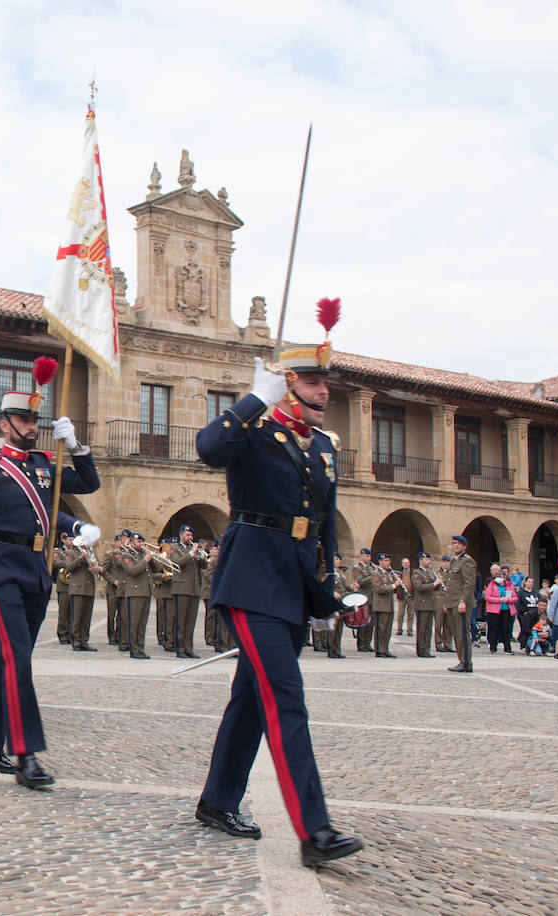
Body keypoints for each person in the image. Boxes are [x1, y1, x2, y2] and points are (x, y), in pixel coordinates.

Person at [194, 337, 364, 868]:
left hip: (293, 582)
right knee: (285, 697)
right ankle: (316, 831)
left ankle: (218, 801)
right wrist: (252, 401)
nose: (324, 391)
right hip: (250, 578)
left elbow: (324, 525)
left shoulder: (324, 446)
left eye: (325, 383)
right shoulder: (253, 431)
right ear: (288, 384)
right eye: (313, 382)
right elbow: (207, 448)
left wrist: (326, 590)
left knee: (250, 696)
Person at [0, 362, 101, 789]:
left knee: (9, 661)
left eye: (35, 419)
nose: (30, 426)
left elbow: (87, 486)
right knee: (16, 660)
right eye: (22, 418)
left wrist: (76, 446)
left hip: (36, 574)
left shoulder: (45, 465)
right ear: (3, 422)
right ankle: (25, 753)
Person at [169, 525, 207, 659]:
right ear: (181, 536)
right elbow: (178, 563)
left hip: (194, 589)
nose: (190, 538)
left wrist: (201, 555)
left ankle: (189, 648)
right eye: (187, 535)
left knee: (190, 622)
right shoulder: (174, 548)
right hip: (181, 588)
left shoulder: (192, 549)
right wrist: (191, 554)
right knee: (181, 621)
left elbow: (204, 566)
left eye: (191, 535)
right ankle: (180, 648)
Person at [444, 537, 479, 673]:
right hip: (452, 602)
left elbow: (469, 583)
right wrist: (447, 602)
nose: (456, 545)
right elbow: (451, 583)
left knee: (462, 633)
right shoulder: (454, 560)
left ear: (465, 546)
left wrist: (463, 600)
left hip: (461, 602)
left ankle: (466, 662)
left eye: (458, 543)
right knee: (456, 633)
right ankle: (461, 660)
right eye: (454, 543)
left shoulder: (467, 561)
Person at [62, 534, 99, 651]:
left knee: (86, 618)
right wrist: (81, 558)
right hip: (77, 588)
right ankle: (76, 641)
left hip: (89, 588)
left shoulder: (92, 553)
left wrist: (96, 567)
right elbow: (68, 567)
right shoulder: (71, 553)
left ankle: (84, 640)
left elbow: (97, 564)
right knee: (76, 618)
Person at [483, 564, 518, 654]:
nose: (500, 578)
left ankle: (507, 648)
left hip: (506, 609)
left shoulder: (510, 585)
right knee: (494, 628)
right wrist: (499, 600)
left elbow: (515, 598)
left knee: (506, 629)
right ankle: (493, 647)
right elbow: (487, 597)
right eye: (498, 576)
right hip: (494, 610)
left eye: (501, 576)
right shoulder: (492, 585)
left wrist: (508, 600)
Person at [411, 552, 440, 658]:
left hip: (431, 603)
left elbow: (434, 587)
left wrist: (438, 583)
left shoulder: (431, 572)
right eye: (426, 560)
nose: (428, 561)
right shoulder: (417, 572)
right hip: (422, 604)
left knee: (428, 629)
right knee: (422, 628)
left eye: (429, 559)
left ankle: (427, 649)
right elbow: (419, 587)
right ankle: (421, 650)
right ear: (421, 560)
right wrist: (433, 584)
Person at [369, 553, 398, 658]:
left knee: (387, 630)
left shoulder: (388, 574)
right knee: (380, 629)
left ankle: (385, 649)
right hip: (381, 605)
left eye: (388, 561)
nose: (388, 563)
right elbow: (379, 589)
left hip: (389, 605)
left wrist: (397, 584)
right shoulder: (376, 574)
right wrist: (394, 585)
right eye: (385, 561)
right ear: (380, 561)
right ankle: (379, 650)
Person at [347, 548, 376, 652]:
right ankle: (361, 643)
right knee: (363, 621)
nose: (369, 558)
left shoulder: (371, 567)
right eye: (367, 556)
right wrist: (372, 576)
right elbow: (360, 581)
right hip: (363, 597)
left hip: (372, 597)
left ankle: (368, 643)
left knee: (371, 622)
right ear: (362, 556)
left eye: (369, 556)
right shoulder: (357, 568)